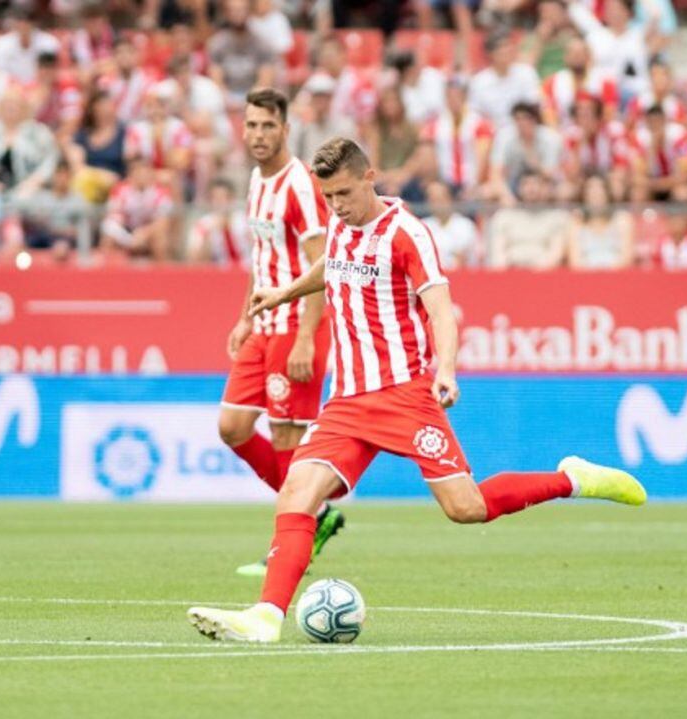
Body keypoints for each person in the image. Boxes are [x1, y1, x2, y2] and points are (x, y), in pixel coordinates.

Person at [186, 137, 647, 643]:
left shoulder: (407, 233)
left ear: (369, 177)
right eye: (328, 197)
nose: (336, 206)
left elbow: (441, 310)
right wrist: (284, 293)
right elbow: (331, 264)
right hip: (347, 401)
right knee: (297, 492)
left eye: (344, 193)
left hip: (404, 395)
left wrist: (445, 369)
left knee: (466, 507)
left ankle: (572, 479)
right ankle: (266, 616)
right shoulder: (340, 224)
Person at [218, 88, 341, 578]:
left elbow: (321, 266)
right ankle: (315, 511)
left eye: (268, 126)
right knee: (232, 427)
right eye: (251, 125)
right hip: (264, 323)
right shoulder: (256, 179)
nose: (258, 135)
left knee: (287, 436)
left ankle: (287, 549)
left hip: (295, 325)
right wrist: (244, 317)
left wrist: (308, 336)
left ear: (286, 130)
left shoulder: (299, 186)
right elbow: (262, 256)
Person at [420, 76, 494, 198]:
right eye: (449, 96)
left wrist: (475, 183)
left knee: (485, 193)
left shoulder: (478, 123)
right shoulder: (437, 123)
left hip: (470, 180)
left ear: (464, 97)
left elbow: (483, 156)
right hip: (446, 181)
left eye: (457, 96)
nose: (453, 100)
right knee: (435, 191)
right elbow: (428, 152)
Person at [486, 172, 569, 269]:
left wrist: (535, 272)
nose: (531, 189)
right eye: (526, 184)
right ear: (519, 188)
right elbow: (497, 254)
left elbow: (555, 254)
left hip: (544, 273)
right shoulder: (504, 217)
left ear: (543, 187)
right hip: (511, 271)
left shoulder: (556, 218)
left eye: (535, 184)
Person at [99, 157, 174, 260]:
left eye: (145, 173)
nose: (142, 176)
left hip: (148, 233)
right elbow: (112, 217)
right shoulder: (120, 190)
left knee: (160, 239)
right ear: (131, 175)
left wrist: (144, 233)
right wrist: (127, 238)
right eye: (138, 173)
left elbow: (163, 221)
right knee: (108, 239)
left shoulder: (160, 193)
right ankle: (107, 269)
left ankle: (163, 269)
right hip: (126, 232)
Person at [467, 32, 541, 128]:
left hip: (524, 129)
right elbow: (475, 114)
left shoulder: (526, 73)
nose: (507, 50)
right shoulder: (479, 82)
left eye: (509, 45)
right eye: (502, 47)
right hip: (493, 131)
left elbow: (535, 105)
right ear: (490, 53)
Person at [567, 174, 635, 268]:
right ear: (584, 195)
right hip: (585, 275)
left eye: (600, 189)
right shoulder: (576, 221)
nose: (595, 193)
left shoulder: (622, 219)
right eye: (590, 189)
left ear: (607, 193)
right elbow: (575, 261)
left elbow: (626, 258)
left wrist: (606, 270)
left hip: (617, 274)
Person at [289, 73, 356, 163]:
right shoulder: (301, 127)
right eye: (318, 96)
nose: (321, 101)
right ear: (311, 98)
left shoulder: (345, 127)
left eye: (325, 97)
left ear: (331, 98)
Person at [186, 177, 250, 267]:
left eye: (224, 198)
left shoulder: (245, 220)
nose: (219, 202)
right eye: (215, 198)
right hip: (220, 270)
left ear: (232, 199)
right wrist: (207, 235)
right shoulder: (203, 224)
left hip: (247, 267)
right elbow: (194, 260)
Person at [421, 180, 478, 268]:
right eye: (433, 200)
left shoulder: (466, 225)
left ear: (450, 199)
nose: (438, 204)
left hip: (461, 274)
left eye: (441, 199)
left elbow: (462, 259)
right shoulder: (423, 226)